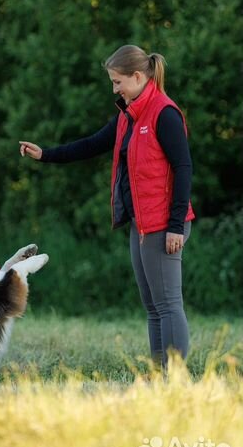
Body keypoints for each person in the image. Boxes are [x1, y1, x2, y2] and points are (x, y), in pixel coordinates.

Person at [19, 44, 195, 369]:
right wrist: (46, 154)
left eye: (118, 82)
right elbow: (91, 144)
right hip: (139, 224)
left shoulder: (164, 113)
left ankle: (176, 379)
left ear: (138, 76)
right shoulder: (128, 116)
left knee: (168, 304)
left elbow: (183, 168)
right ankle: (160, 376)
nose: (115, 89)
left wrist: (174, 226)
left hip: (163, 224)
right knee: (153, 306)